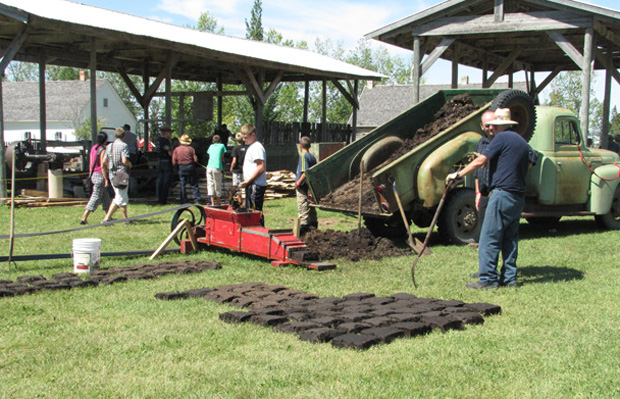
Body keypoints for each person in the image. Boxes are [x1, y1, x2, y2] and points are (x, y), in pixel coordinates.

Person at [446, 108, 530, 289]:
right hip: (517, 197)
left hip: (501, 195)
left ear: (499, 125)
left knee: (488, 237)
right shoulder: (521, 141)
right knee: (509, 239)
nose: (491, 128)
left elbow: (480, 161)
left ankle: (488, 279)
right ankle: (509, 279)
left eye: (493, 125)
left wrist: (458, 175)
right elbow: (530, 161)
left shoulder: (500, 138)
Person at [470, 110, 496, 247]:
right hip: (484, 192)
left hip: (497, 192)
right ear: (481, 126)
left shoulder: (502, 141)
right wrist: (477, 193)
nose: (490, 128)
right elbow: (477, 172)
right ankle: (482, 243)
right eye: (487, 126)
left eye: (493, 124)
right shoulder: (482, 142)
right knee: (483, 221)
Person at [80, 131, 111, 224]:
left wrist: (91, 173)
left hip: (93, 174)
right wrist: (106, 179)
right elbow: (102, 165)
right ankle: (84, 217)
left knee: (106, 197)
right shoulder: (102, 150)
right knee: (95, 197)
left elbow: (90, 163)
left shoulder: (93, 148)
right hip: (100, 175)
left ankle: (108, 216)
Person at [102, 127, 132, 223]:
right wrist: (130, 164)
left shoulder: (109, 146)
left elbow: (103, 162)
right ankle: (107, 218)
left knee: (122, 196)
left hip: (112, 173)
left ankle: (126, 219)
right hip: (121, 173)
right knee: (119, 197)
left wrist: (108, 168)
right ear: (124, 136)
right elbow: (124, 160)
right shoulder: (124, 146)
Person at [239, 123, 267, 226]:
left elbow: (261, 167)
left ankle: (260, 233)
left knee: (255, 213)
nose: (244, 140)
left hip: (256, 185)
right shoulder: (252, 147)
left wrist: (248, 181)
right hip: (252, 184)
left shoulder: (257, 148)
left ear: (253, 135)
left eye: (246, 137)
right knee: (251, 212)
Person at [295, 136, 318, 235]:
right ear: (310, 146)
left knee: (303, 209)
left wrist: (298, 183)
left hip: (303, 187)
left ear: (300, 146)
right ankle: (314, 232)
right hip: (310, 188)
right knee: (311, 209)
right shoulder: (312, 157)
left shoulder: (303, 156)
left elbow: (305, 172)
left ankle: (304, 233)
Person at [172, 134, 201, 204]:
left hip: (181, 167)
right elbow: (195, 160)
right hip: (190, 166)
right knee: (194, 184)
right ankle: (197, 199)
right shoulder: (191, 149)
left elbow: (173, 161)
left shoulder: (176, 149)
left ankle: (183, 200)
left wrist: (176, 167)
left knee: (182, 184)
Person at [206, 134, 227, 205]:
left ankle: (212, 203)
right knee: (217, 184)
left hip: (209, 167)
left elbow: (209, 156)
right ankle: (218, 202)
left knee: (210, 184)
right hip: (217, 166)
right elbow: (222, 157)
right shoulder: (222, 146)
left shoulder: (210, 146)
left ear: (212, 141)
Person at [157, 125, 174, 205]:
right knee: (166, 182)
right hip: (166, 162)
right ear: (166, 132)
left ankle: (159, 198)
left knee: (160, 181)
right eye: (170, 132)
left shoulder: (158, 140)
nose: (170, 134)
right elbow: (169, 153)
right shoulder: (165, 141)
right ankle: (163, 200)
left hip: (160, 161)